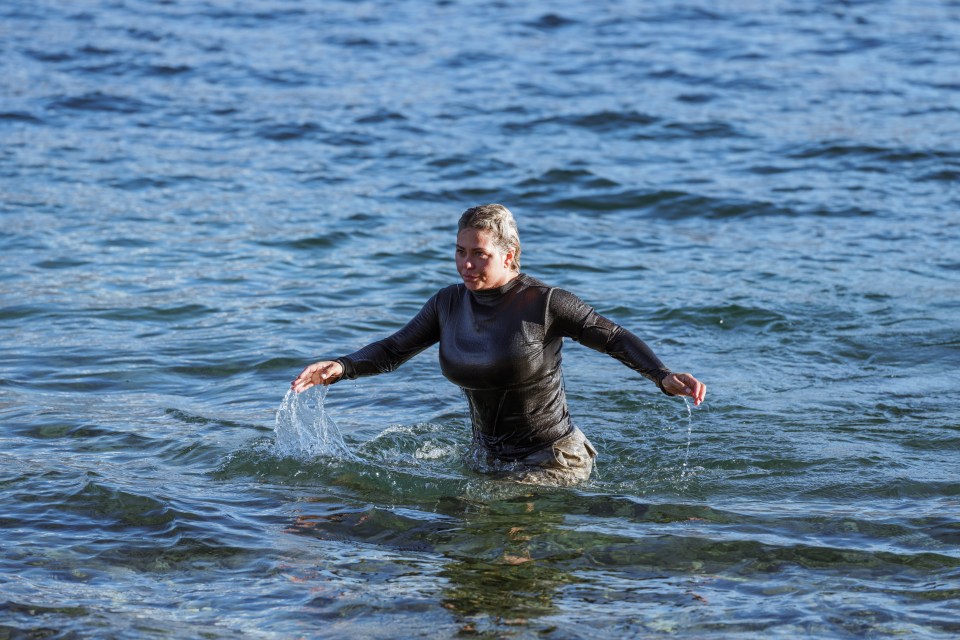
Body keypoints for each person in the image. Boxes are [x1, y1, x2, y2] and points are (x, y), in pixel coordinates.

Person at [292, 204, 706, 486]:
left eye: (480, 254)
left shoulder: (544, 303)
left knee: (485, 526)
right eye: (460, 252)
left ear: (510, 256)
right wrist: (343, 366)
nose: (467, 264)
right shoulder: (447, 303)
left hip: (554, 459)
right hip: (485, 458)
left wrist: (662, 375)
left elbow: (612, 336)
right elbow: (393, 350)